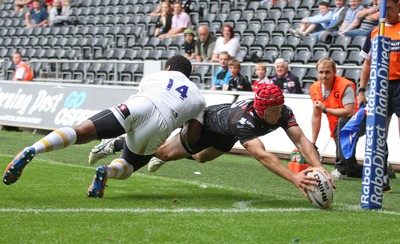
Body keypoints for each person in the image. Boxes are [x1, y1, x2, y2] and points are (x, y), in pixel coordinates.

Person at [3, 55, 206, 199]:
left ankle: (33, 149)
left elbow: (142, 101)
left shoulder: (156, 76)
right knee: (129, 165)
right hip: (162, 123)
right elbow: (193, 137)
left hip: (137, 105)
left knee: (80, 131)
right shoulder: (198, 97)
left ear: (168, 68)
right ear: (188, 75)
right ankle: (106, 171)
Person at [89, 84, 335, 199]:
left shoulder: (282, 111)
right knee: (162, 152)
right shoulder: (244, 121)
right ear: (261, 109)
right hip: (205, 126)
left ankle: (154, 152)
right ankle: (116, 143)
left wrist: (319, 168)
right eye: (274, 109)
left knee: (201, 159)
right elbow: (261, 155)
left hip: (226, 134)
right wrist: (294, 177)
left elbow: (301, 139)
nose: (279, 112)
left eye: (280, 107)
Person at [358, 0, 400, 189]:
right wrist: (361, 89)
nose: (385, 13)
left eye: (389, 8)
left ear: (398, 5)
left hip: (399, 85)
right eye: (382, 10)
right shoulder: (375, 31)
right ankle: (381, 177)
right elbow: (367, 63)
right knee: (377, 133)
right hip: (379, 85)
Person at [309, 58, 362, 179]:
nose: (324, 75)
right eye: (321, 72)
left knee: (343, 122)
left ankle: (340, 170)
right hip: (337, 125)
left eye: (327, 72)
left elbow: (349, 113)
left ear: (334, 72)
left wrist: (325, 109)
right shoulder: (314, 88)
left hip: (358, 120)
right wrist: (313, 142)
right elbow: (316, 116)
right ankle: (382, 168)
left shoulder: (345, 85)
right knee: (351, 167)